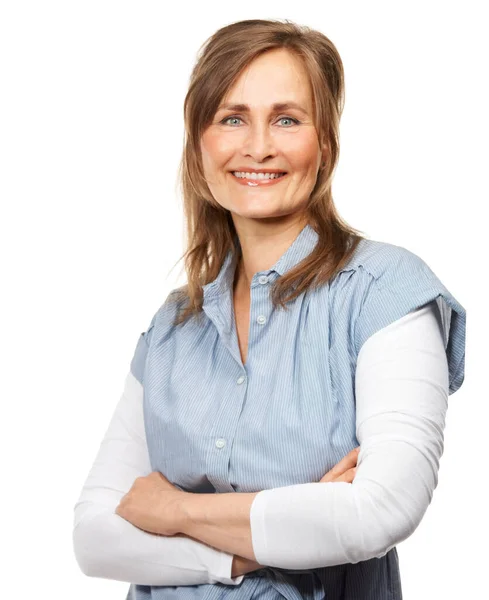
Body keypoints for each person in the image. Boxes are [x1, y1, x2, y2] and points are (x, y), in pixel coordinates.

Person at [72, 18, 466, 600]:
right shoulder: (171, 329)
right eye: (232, 118)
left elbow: (380, 512)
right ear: (198, 145)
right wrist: (275, 539)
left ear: (324, 142)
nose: (258, 146)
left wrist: (172, 509)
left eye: (287, 119)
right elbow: (94, 539)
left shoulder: (385, 290)